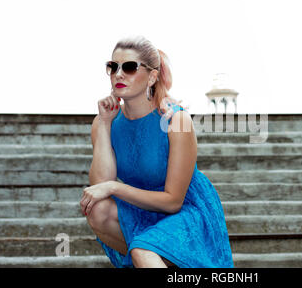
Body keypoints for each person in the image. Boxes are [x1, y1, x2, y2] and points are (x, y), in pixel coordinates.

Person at [79, 35, 235, 268]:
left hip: (185, 212)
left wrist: (114, 187)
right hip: (139, 209)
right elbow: (99, 186)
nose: (119, 74)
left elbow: (173, 201)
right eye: (113, 67)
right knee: (98, 209)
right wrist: (103, 124)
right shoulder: (105, 121)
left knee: (144, 251)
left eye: (130, 67)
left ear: (152, 76)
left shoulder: (176, 119)